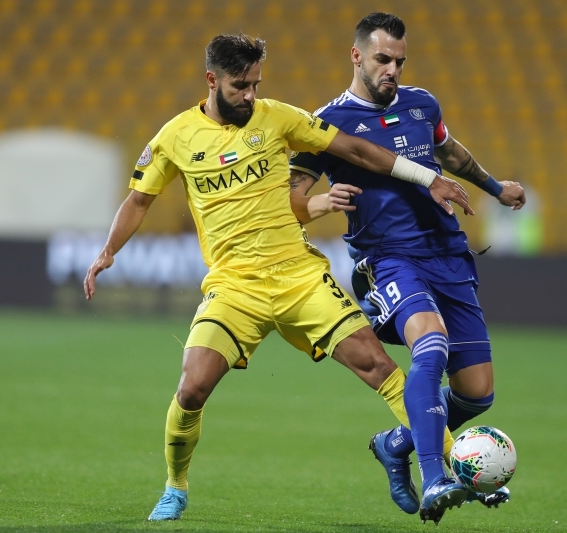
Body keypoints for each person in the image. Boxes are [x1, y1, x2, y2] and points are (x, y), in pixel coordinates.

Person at [83, 33, 472, 522]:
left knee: (380, 368)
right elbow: (139, 200)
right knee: (191, 388)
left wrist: (427, 175)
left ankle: (455, 469)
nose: (250, 95)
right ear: (212, 80)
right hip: (234, 286)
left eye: (256, 85)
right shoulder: (175, 137)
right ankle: (175, 486)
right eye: (240, 86)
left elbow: (355, 149)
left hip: (299, 277)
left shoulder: (278, 117)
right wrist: (107, 251)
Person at [288, 13, 526, 524]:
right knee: (431, 345)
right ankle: (435, 475)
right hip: (388, 259)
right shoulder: (325, 123)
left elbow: (450, 153)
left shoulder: (422, 104)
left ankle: (395, 443)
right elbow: (289, 200)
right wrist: (322, 202)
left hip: (448, 254)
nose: (392, 69)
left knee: (477, 394)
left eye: (399, 61)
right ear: (357, 56)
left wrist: (495, 187)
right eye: (382, 59)